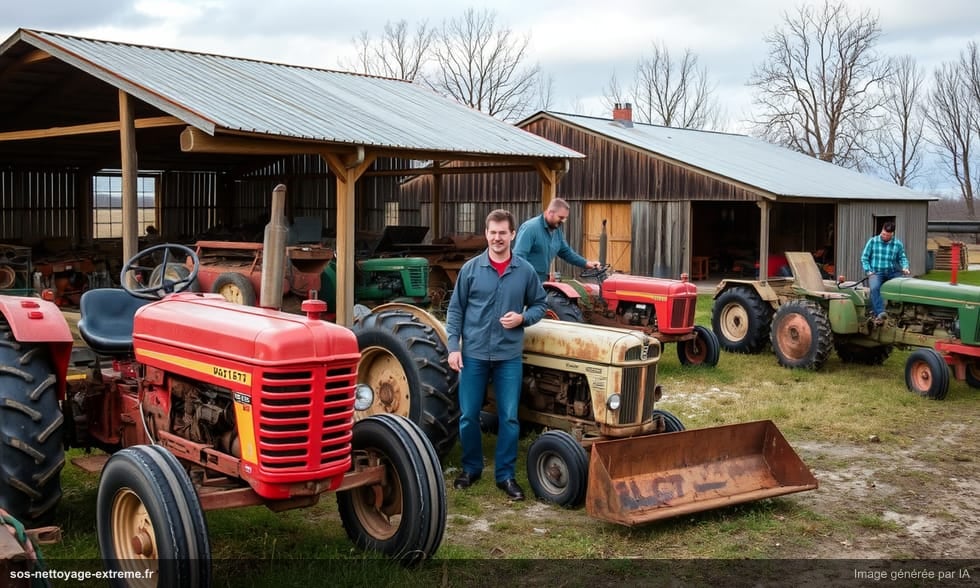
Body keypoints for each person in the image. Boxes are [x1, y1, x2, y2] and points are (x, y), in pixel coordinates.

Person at [445, 209, 547, 501]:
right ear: (486, 233)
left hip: (508, 357)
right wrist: (454, 347)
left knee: (510, 418)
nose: (497, 238)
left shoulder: (524, 271)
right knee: (467, 416)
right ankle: (471, 468)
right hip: (474, 354)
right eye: (493, 232)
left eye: (503, 232)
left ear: (513, 234)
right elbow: (455, 310)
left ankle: (505, 475)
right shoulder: (471, 269)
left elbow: (540, 304)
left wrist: (523, 319)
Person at [513, 197, 600, 282]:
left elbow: (566, 253)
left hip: (542, 281)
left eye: (565, 218)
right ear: (550, 212)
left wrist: (586, 263)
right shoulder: (530, 228)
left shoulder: (556, 232)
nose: (563, 221)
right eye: (561, 217)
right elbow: (519, 257)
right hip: (527, 281)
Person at [861, 221, 910, 323]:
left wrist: (905, 267)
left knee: (903, 286)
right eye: (883, 234)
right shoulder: (873, 241)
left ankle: (900, 313)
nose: (885, 236)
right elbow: (864, 258)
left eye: (887, 235)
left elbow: (902, 258)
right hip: (876, 272)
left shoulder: (897, 244)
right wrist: (868, 271)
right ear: (882, 230)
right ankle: (880, 313)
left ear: (892, 234)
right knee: (874, 288)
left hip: (892, 272)